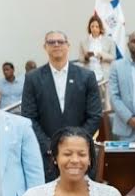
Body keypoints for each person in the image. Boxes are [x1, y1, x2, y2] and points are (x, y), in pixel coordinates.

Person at [21, 31, 104, 178]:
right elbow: (29, 117)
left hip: (79, 155)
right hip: (47, 157)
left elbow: (95, 115)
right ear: (45, 47)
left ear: (68, 46)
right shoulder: (32, 78)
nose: (56, 45)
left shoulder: (87, 76)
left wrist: (75, 143)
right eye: (51, 42)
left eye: (60, 41)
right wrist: (49, 146)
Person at [81, 14, 114, 81]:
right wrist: (86, 57)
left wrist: (102, 56)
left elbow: (113, 57)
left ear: (100, 28)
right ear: (89, 28)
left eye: (96, 26)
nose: (94, 29)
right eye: (92, 26)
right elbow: (80, 59)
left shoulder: (109, 41)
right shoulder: (83, 42)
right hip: (89, 76)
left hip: (104, 76)